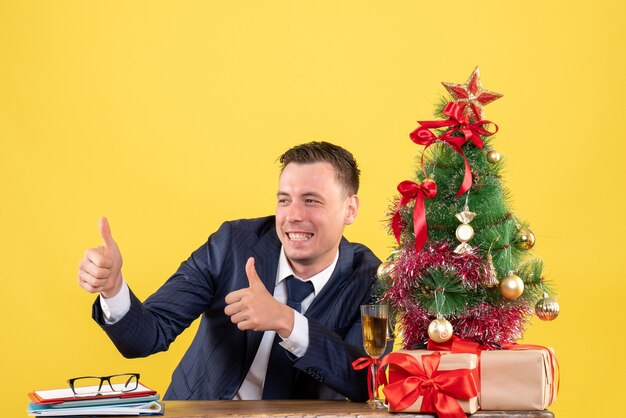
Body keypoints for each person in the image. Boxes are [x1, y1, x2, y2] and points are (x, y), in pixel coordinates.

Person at [77, 141, 382, 401]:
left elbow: (367, 380)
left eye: (311, 201)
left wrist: (287, 321)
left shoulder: (371, 278)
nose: (293, 216)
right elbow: (147, 336)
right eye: (284, 200)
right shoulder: (232, 245)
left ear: (350, 209)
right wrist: (114, 290)